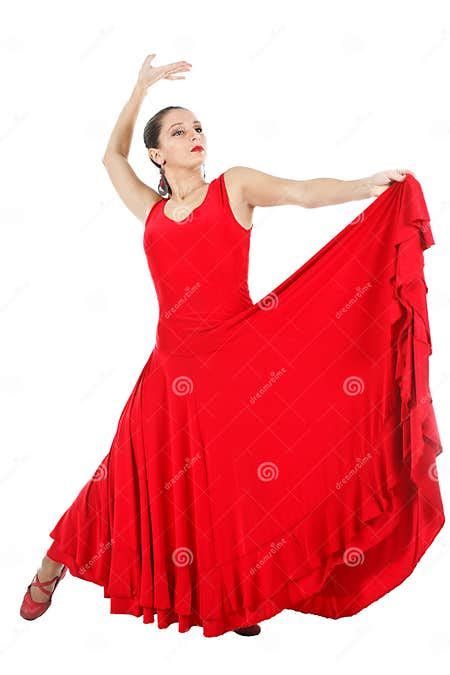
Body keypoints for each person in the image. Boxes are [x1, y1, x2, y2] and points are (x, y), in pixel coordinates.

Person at [20, 53, 435, 639]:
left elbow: (300, 192)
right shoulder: (153, 211)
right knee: (123, 476)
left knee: (237, 484)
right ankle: (49, 570)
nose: (195, 136)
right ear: (158, 153)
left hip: (237, 362)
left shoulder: (233, 188)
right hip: (169, 373)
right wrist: (140, 88)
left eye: (198, 127)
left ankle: (236, 595)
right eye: (179, 130)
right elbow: (111, 156)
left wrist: (365, 185)